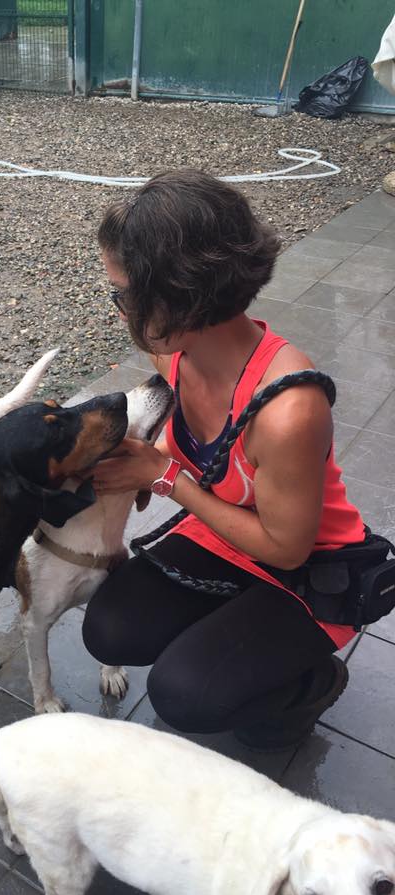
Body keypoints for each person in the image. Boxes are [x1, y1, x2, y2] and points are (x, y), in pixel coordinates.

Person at [83, 169, 366, 750]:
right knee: (108, 629)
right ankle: (231, 634)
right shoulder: (177, 359)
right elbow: (197, 453)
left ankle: (313, 680)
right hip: (227, 538)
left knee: (184, 696)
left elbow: (287, 547)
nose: (118, 311)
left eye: (122, 295)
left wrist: (163, 479)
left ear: (179, 298)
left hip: (307, 570)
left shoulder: (289, 408)